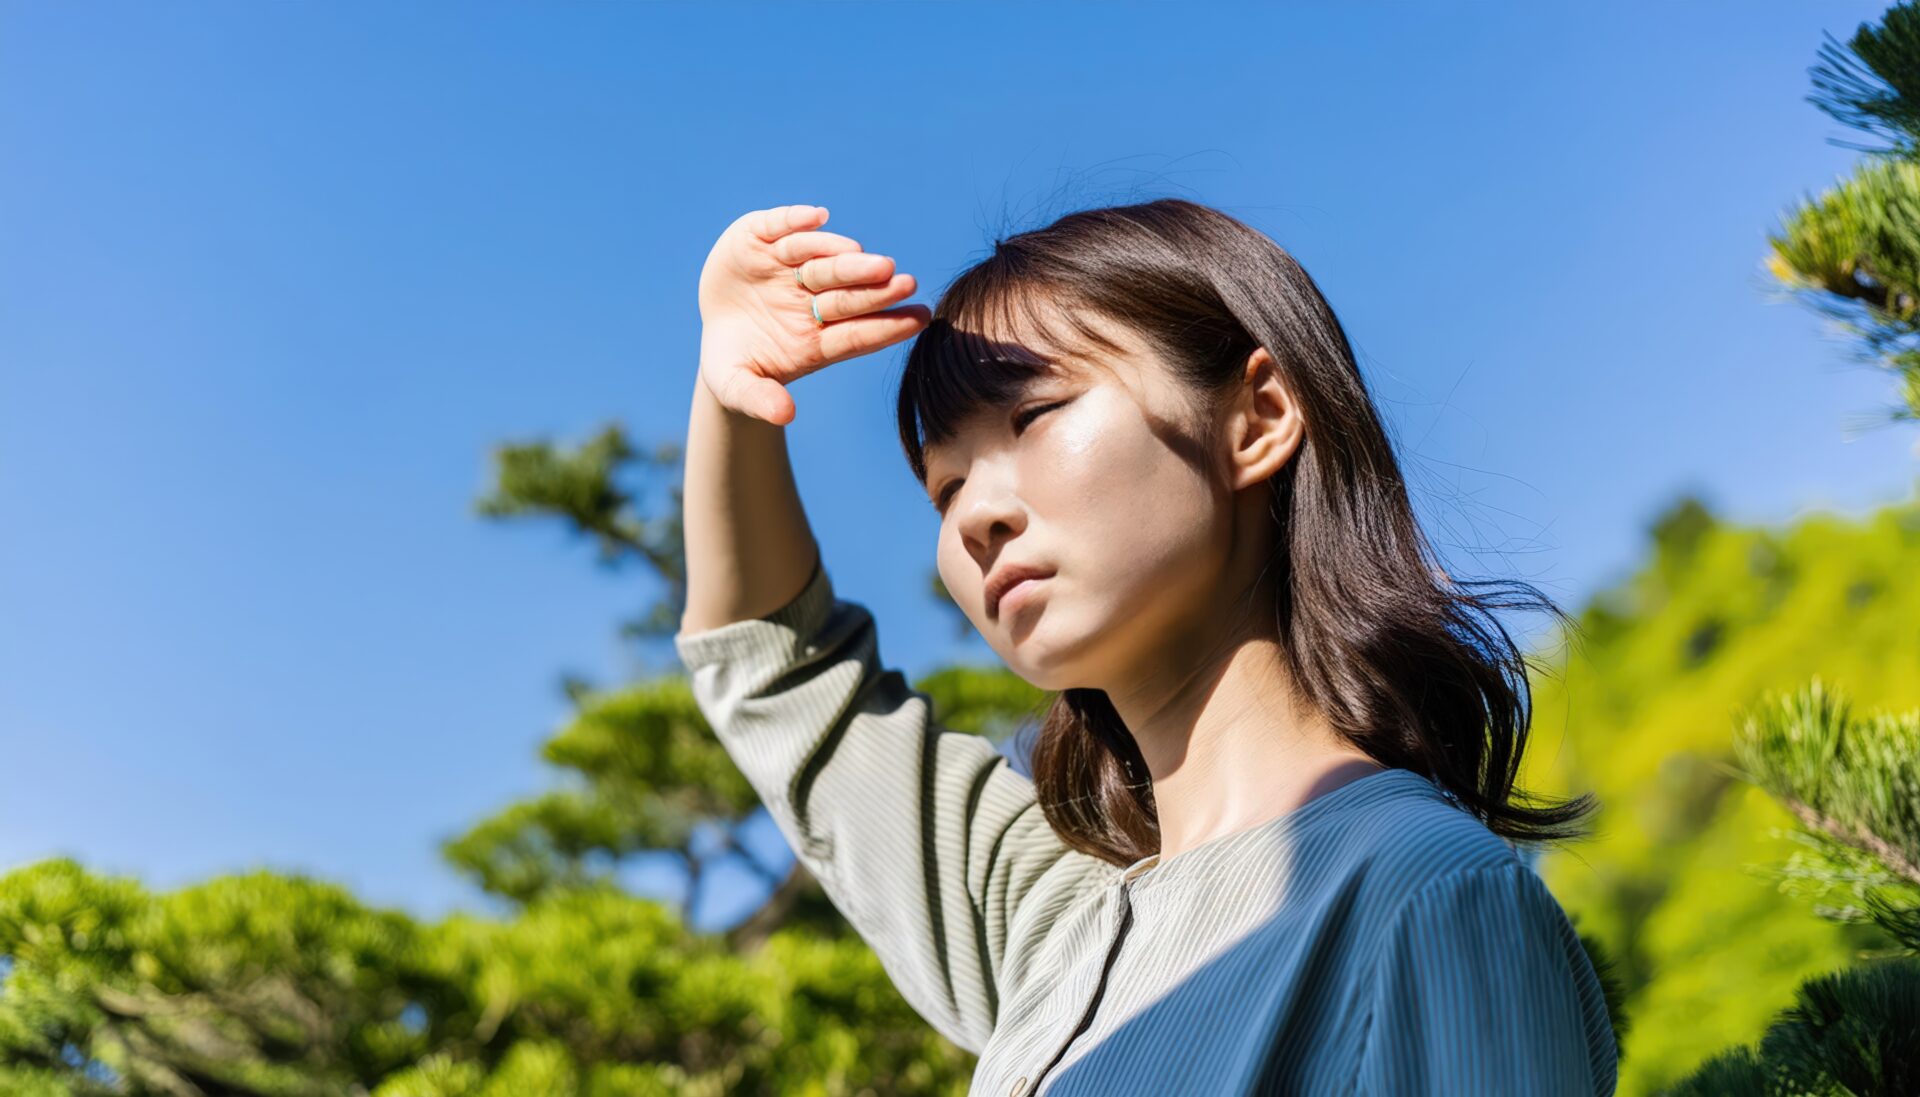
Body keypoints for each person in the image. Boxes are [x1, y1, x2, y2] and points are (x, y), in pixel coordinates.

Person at [674, 200, 1619, 1096]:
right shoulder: (1051, 922)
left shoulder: (1425, 897)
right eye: (944, 487)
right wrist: (731, 397)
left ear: (1259, 416)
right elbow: (779, 668)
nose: (977, 516)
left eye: (1033, 416)